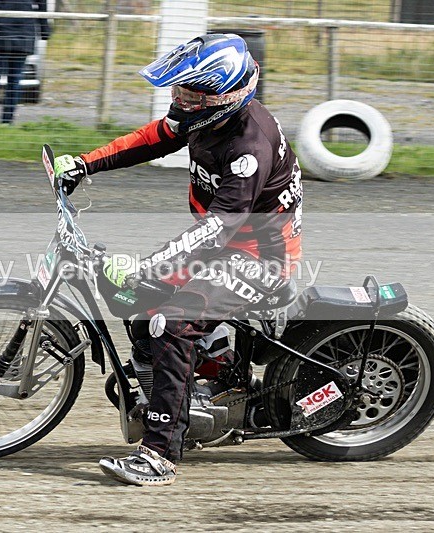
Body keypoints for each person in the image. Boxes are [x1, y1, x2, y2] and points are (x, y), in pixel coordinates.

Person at [53, 34, 303, 486]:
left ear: (224, 97)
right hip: (226, 244)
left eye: (191, 94)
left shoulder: (249, 148)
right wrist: (85, 164)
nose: (179, 100)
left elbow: (216, 230)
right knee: (133, 297)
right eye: (180, 91)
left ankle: (161, 453)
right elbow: (153, 138)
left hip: (259, 258)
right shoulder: (205, 118)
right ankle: (212, 380)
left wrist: (146, 265)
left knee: (172, 320)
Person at [0, 0, 50, 126]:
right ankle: (7, 122)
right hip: (23, 31)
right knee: (14, 82)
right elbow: (42, 5)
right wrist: (44, 30)